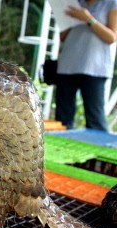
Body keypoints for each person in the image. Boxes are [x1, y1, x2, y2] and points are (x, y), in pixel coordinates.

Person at [55, 0, 117, 131]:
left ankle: (99, 150)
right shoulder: (75, 3)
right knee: (62, 120)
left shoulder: (111, 3)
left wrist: (88, 19)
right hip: (67, 65)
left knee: (95, 119)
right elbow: (63, 37)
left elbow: (111, 37)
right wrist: (68, 20)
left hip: (95, 67)